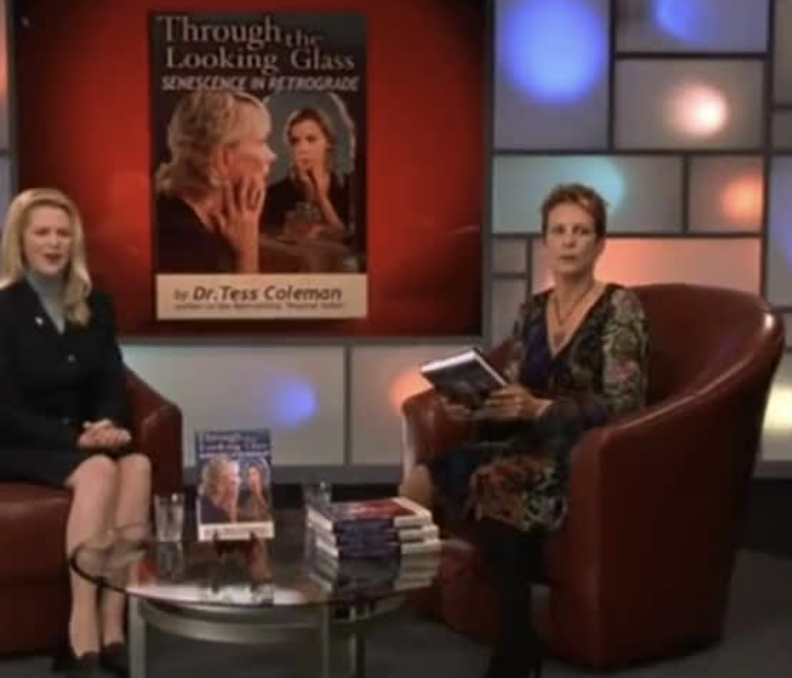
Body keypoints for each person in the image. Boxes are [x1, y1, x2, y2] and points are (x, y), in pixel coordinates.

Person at [399, 183, 649, 678]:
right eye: (559, 231)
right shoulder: (534, 309)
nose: (569, 242)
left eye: (581, 231)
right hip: (524, 441)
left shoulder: (621, 309)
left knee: (497, 481)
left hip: (579, 454)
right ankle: (390, 597)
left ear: (600, 244)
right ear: (545, 242)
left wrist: (540, 410)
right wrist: (475, 405)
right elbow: (510, 384)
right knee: (420, 480)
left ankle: (515, 648)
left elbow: (625, 402)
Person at [0, 187, 149, 678]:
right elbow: (0, 406)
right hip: (8, 441)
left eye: (63, 233)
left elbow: (113, 379)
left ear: (75, 242)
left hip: (79, 437)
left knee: (136, 464)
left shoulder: (95, 304)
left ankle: (114, 624)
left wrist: (109, 424)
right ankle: (80, 629)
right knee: (97, 473)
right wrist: (78, 442)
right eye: (42, 232)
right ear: (19, 242)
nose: (53, 243)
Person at [154, 87, 275, 274]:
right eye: (261, 142)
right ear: (223, 159)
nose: (271, 155)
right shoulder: (188, 244)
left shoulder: (175, 212)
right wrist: (247, 254)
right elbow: (248, 304)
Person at [261, 107, 354, 270]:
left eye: (311, 139)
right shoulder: (276, 192)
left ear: (328, 143)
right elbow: (270, 241)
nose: (302, 148)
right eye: (295, 141)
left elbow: (349, 238)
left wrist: (322, 197)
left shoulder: (348, 186)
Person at [199, 457, 241, 523]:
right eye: (233, 476)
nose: (238, 481)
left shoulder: (228, 508)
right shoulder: (206, 512)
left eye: (236, 475)